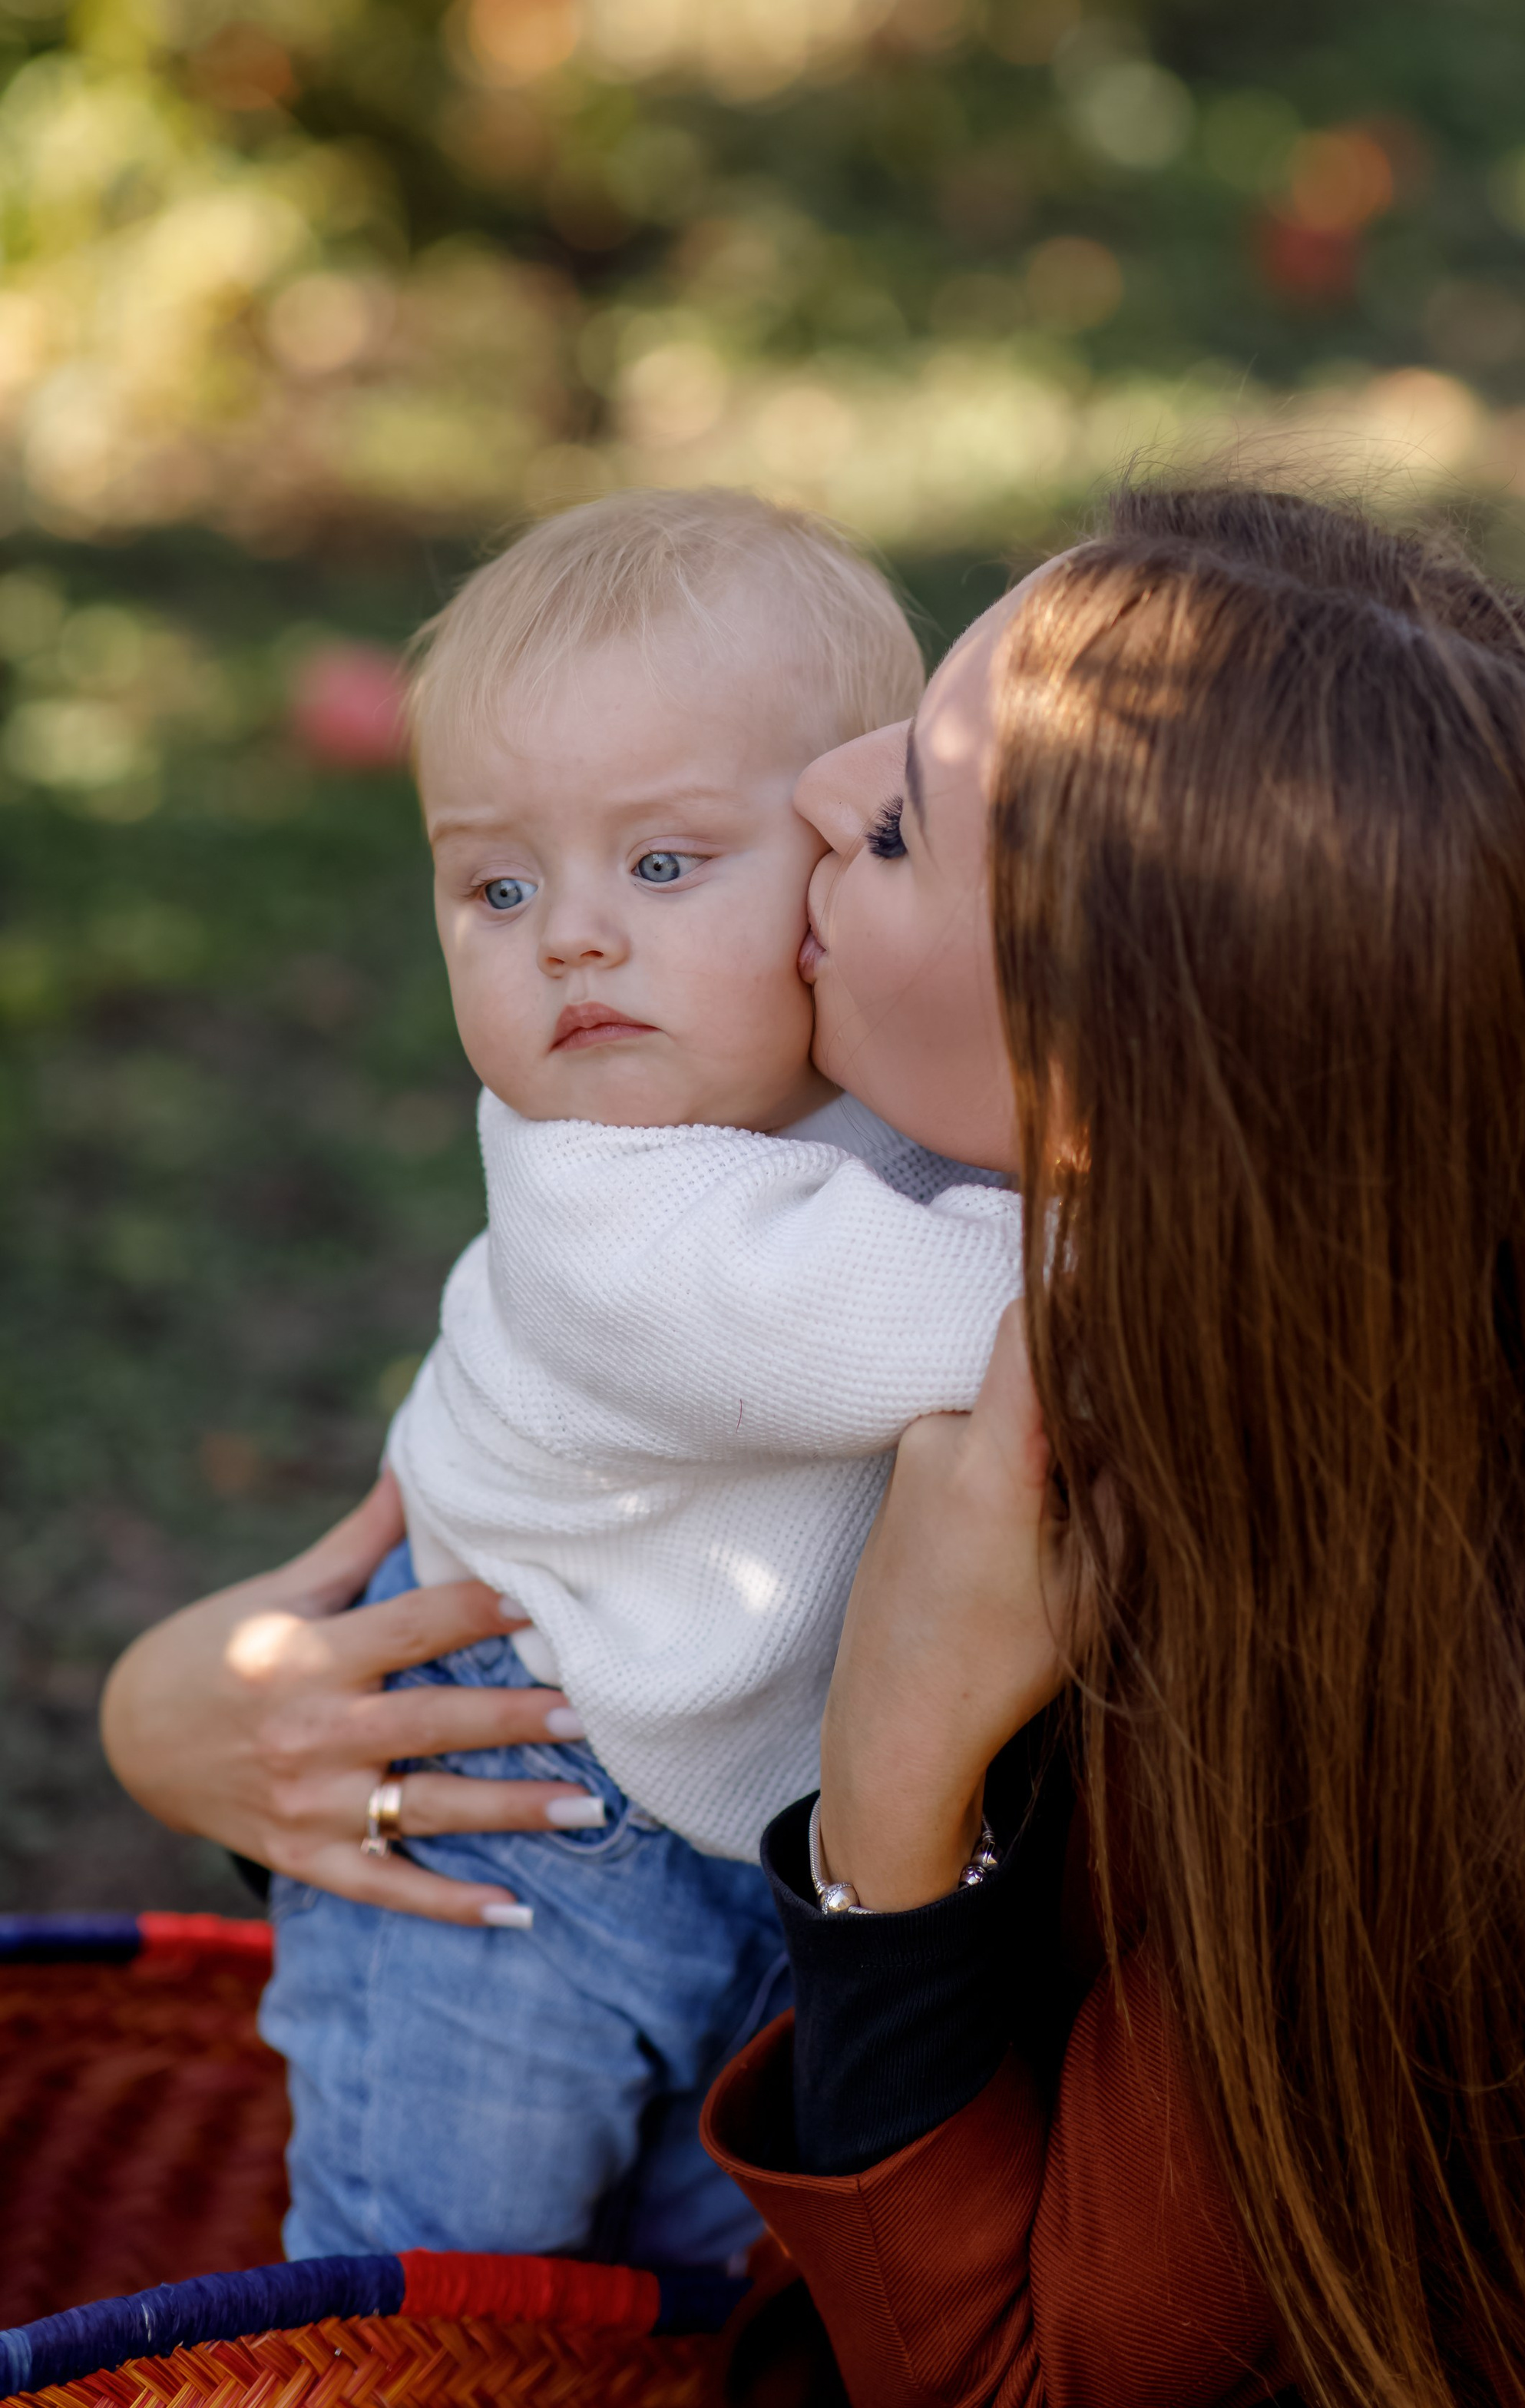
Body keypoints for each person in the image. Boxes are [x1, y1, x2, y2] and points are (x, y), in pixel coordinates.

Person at [105, 485, 1525, 2406]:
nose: (820, 788)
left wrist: (896, 1788)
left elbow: (1006, 2377)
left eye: (902, 809)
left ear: (1111, 1063)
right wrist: (171, 1710)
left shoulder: (1397, 1734)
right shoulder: (1398, 1348)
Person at [254, 488, 1022, 2268]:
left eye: (661, 864)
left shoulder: (859, 1093)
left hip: (713, 1814)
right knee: (445, 2266)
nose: (570, 936)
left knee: (687, 2279)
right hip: (509, 1807)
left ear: (843, 858)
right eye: (495, 883)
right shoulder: (603, 1196)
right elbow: (970, 1317)